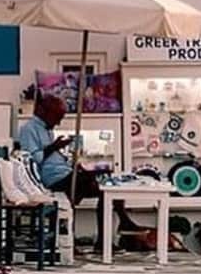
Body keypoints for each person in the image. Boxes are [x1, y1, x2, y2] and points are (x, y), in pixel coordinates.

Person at [17, 94, 137, 250]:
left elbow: (52, 158)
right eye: (57, 117)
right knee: (101, 183)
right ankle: (124, 222)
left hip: (65, 173)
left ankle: (105, 240)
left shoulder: (47, 129)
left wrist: (71, 163)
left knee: (108, 187)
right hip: (54, 179)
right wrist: (54, 147)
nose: (59, 122)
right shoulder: (29, 129)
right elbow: (32, 159)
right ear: (45, 112)